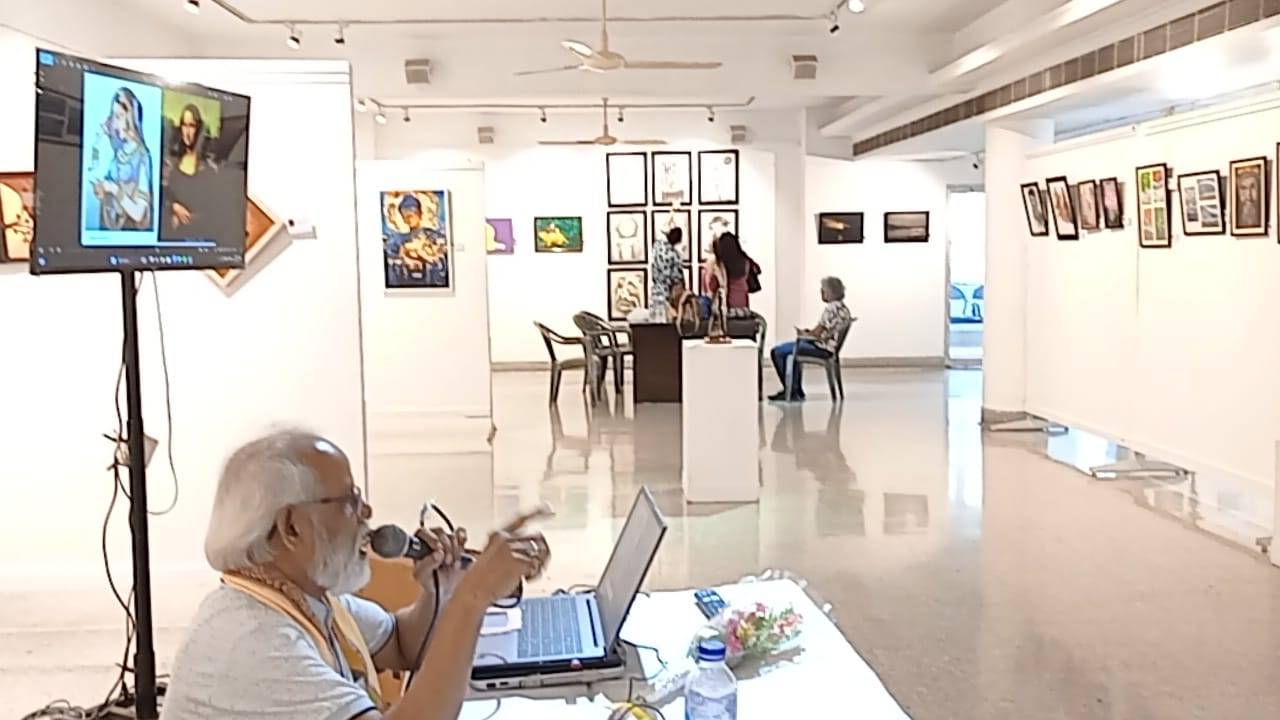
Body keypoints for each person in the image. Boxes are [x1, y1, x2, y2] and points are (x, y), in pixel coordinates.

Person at [162, 430, 551, 720]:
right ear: (291, 527)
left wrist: (442, 592)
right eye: (350, 501)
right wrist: (473, 597)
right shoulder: (254, 640)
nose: (367, 512)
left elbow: (400, 644)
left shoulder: (300, 595)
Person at [769, 276, 853, 403]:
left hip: (821, 347)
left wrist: (804, 334)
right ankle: (794, 389)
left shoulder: (830, 309)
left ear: (829, 292)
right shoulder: (844, 309)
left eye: (823, 290)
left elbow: (817, 333)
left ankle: (791, 390)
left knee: (778, 352)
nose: (821, 293)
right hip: (830, 347)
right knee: (790, 351)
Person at [90, 87, 154, 231]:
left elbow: (139, 214)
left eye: (119, 117)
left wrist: (114, 189)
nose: (114, 123)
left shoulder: (142, 156)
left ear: (130, 118)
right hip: (108, 231)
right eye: (113, 116)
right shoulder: (116, 152)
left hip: (130, 234)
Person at [704, 232, 758, 317]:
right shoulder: (746, 262)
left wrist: (708, 273)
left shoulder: (721, 265)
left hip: (727, 309)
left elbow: (712, 287)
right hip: (744, 309)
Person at [649, 224, 685, 318]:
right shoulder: (675, 255)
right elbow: (677, 277)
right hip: (668, 292)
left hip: (656, 290)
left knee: (656, 319)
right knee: (667, 320)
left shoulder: (657, 246)